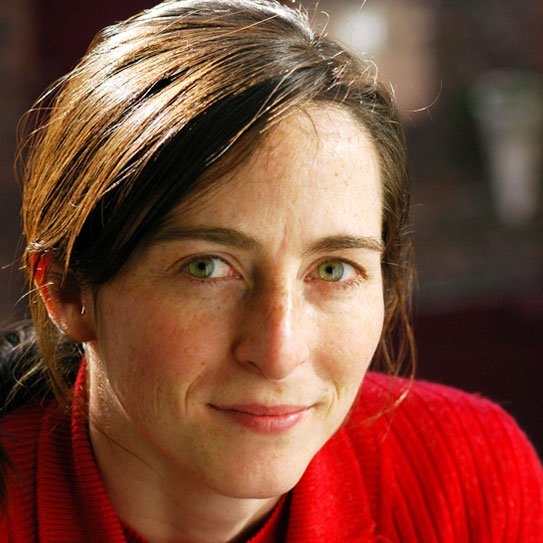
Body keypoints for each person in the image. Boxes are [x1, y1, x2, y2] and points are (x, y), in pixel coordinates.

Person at [1, 1, 541, 541]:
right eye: (206, 268)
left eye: (333, 269)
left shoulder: (472, 476)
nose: (280, 353)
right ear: (67, 290)